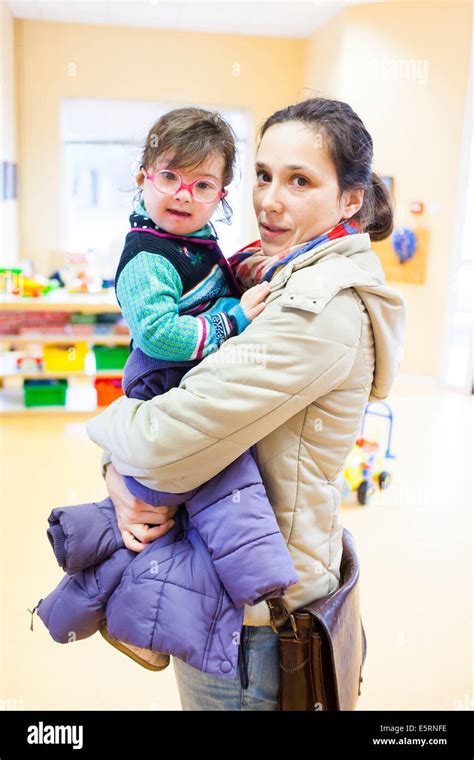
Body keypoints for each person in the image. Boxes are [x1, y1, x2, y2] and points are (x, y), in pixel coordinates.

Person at [87, 97, 407, 711]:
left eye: (300, 181)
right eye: (264, 175)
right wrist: (120, 474)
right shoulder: (286, 272)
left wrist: (106, 443)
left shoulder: (318, 310)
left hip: (256, 621)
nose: (270, 201)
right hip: (241, 584)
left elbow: (161, 444)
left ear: (351, 201)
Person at [36, 106, 298, 681]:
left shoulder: (192, 237)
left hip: (188, 380)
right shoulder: (145, 257)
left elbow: (202, 280)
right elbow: (160, 330)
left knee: (166, 520)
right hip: (164, 380)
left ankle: (118, 597)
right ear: (143, 177)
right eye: (170, 178)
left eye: (202, 184)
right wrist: (231, 320)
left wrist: (241, 271)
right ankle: (262, 588)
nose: (184, 195)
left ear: (221, 196)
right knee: (220, 500)